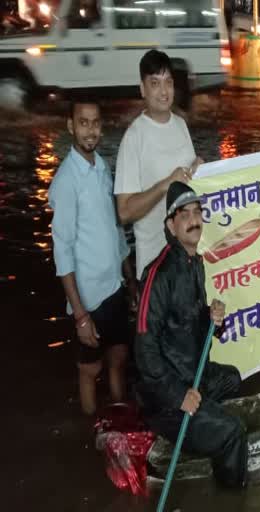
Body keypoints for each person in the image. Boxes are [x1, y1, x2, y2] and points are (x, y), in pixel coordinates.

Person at [135, 182, 248, 489]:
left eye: (198, 212)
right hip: (165, 397)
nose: (194, 219)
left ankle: (205, 426)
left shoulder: (195, 263)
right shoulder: (158, 275)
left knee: (234, 379)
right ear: (171, 226)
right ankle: (232, 498)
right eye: (184, 215)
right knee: (233, 433)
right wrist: (178, 396)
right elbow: (144, 352)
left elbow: (191, 324)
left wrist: (214, 318)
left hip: (192, 375)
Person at [49, 100, 136, 416]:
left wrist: (129, 281)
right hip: (90, 297)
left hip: (113, 287)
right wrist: (81, 316)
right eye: (83, 122)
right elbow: (62, 251)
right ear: (71, 126)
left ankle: (120, 416)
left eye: (95, 123)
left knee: (119, 357)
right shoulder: (66, 181)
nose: (90, 129)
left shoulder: (101, 167)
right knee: (90, 369)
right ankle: (91, 431)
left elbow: (114, 228)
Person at [114, 49, 203, 280]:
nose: (164, 91)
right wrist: (165, 185)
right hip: (155, 267)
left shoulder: (181, 125)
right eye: (155, 83)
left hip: (188, 260)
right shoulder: (134, 138)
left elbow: (187, 182)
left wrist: (199, 168)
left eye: (168, 82)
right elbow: (124, 213)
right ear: (142, 89)